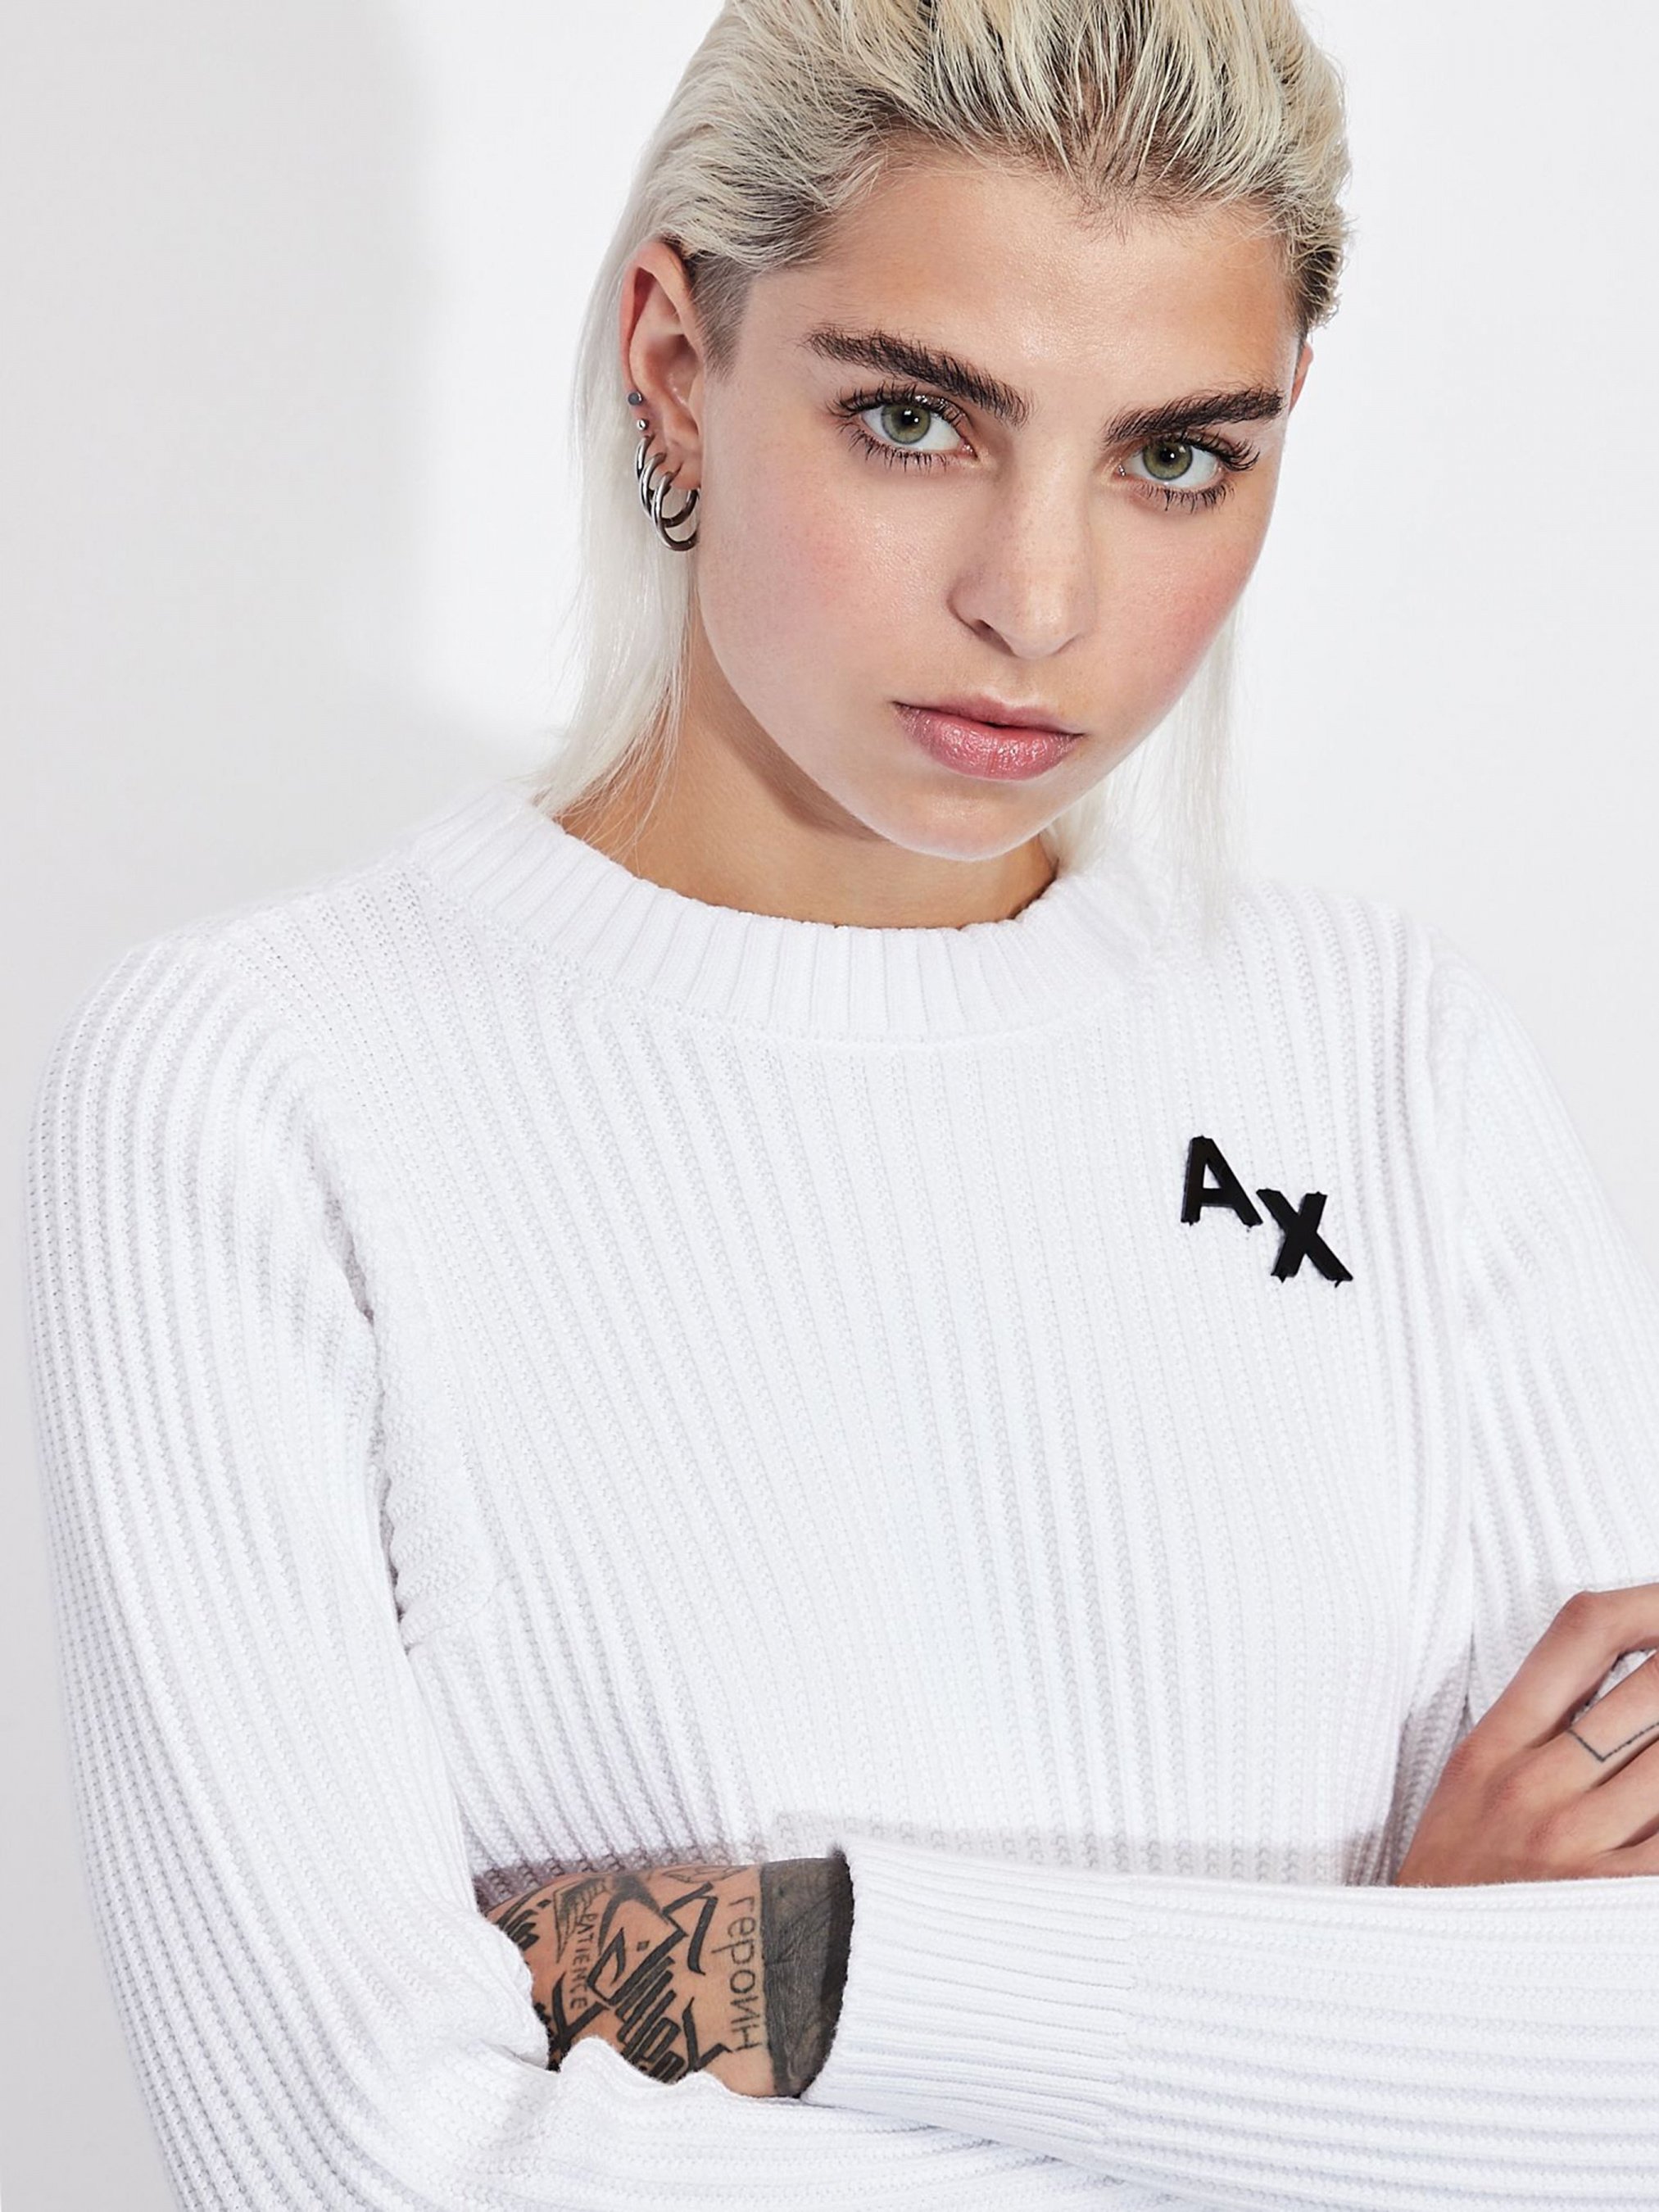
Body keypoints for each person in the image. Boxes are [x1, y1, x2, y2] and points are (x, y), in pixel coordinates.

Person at [24, 0, 1659, 2204]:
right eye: (913, 418)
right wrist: (1402, 2039)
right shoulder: (264, 1087)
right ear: (674, 367)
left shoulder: (1388, 1061)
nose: (1037, 599)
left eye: (1178, 457)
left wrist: (811, 1973)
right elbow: (363, 2167)